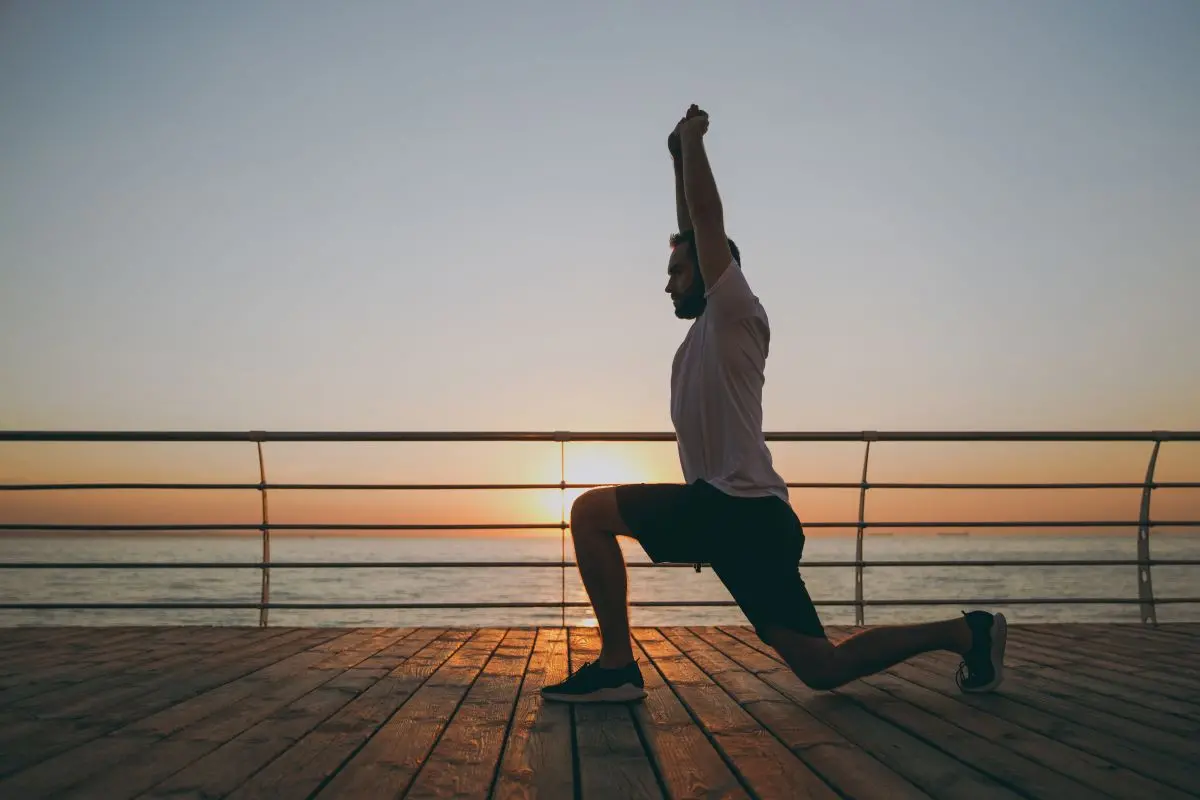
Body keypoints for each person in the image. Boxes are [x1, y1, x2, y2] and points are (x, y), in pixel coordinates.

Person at [541, 105, 1007, 704]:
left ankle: (616, 666)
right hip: (751, 522)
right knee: (822, 669)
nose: (666, 283)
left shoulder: (735, 309)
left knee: (588, 512)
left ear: (714, 270)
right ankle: (968, 633)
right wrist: (678, 163)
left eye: (676, 272)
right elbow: (692, 227)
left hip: (736, 509)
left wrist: (693, 142)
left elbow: (706, 223)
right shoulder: (705, 332)